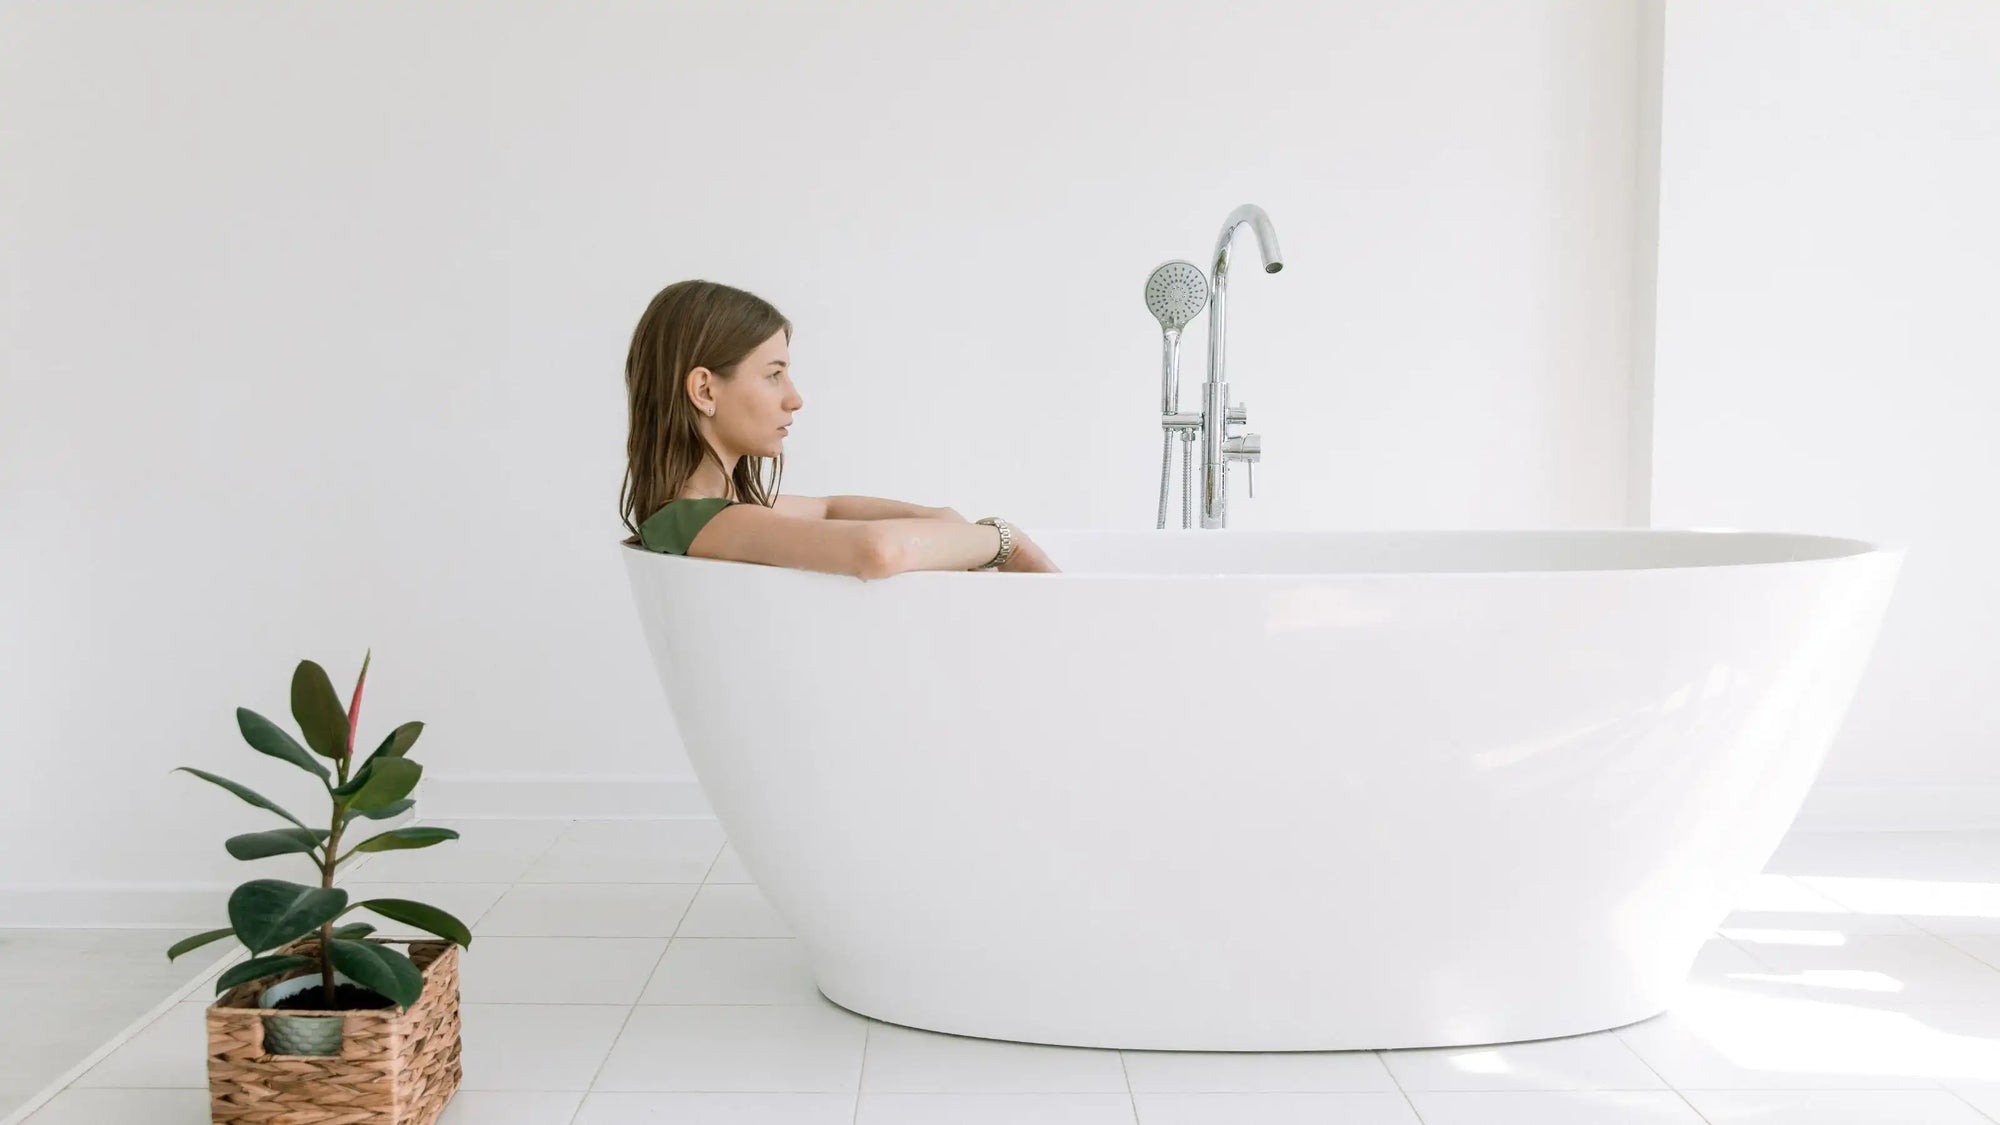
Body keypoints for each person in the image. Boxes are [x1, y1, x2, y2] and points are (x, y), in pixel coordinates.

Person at [618, 279, 1061, 578]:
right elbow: (878, 551)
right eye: (773, 374)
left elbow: (830, 509)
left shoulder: (704, 515)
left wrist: (937, 518)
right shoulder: (698, 522)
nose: (794, 397)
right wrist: (1004, 541)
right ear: (704, 390)